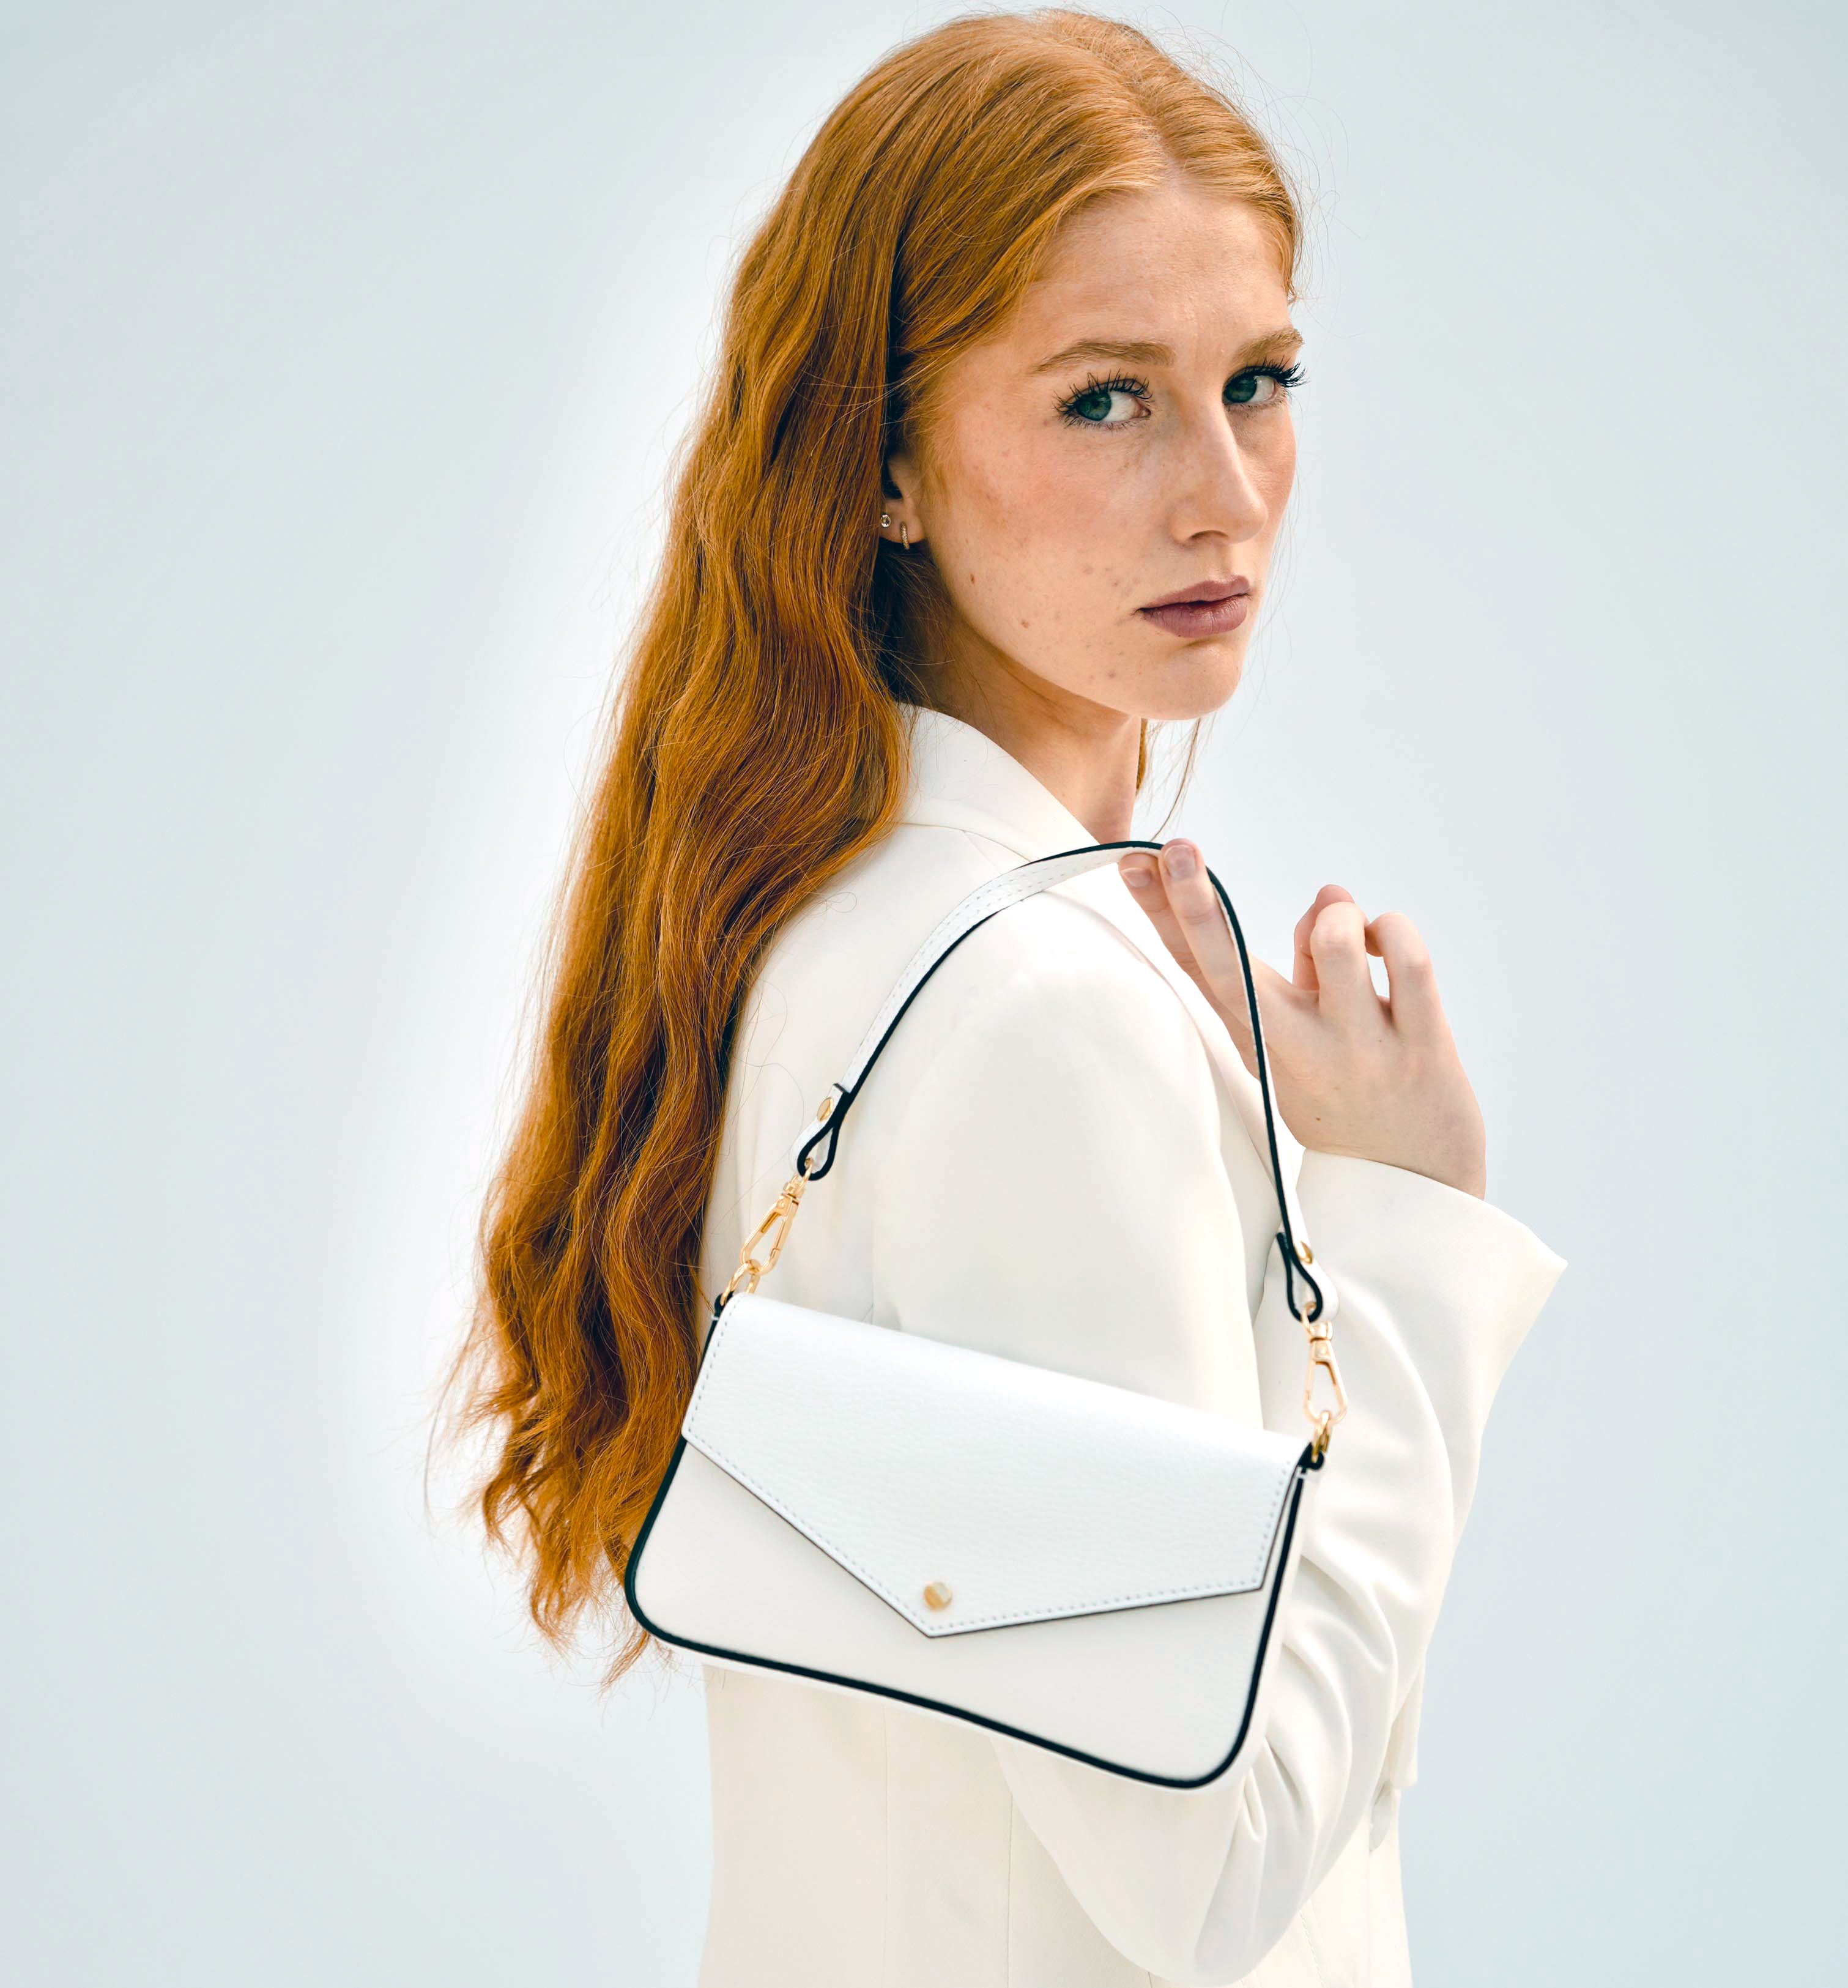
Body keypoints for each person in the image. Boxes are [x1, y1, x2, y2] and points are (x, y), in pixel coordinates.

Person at [453, 10, 1566, 1983]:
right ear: (881, 467)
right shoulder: (1032, 1013)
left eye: (1259, 380)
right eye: (1104, 403)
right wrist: (1403, 1247)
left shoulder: (832, 933)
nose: (1225, 492)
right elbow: (1209, 1871)